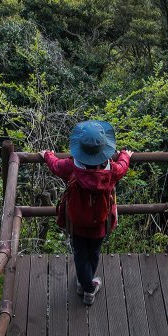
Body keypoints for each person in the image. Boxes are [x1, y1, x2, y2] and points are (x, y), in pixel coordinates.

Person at [42, 120, 132, 305]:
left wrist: (47, 155)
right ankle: (87, 286)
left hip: (76, 220)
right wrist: (125, 154)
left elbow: (56, 165)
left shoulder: (72, 167)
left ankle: (87, 286)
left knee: (80, 253)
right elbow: (122, 167)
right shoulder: (111, 169)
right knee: (94, 251)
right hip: (100, 220)